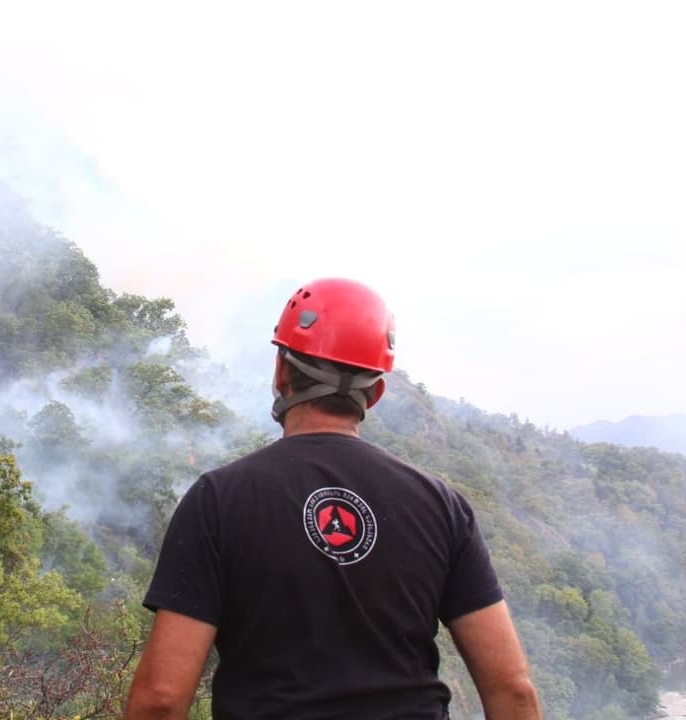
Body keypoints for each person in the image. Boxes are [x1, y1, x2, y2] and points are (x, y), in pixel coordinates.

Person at [124, 278, 541, 719]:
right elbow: (513, 690)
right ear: (375, 394)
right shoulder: (442, 507)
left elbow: (162, 700)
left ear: (281, 371)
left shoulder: (218, 500)